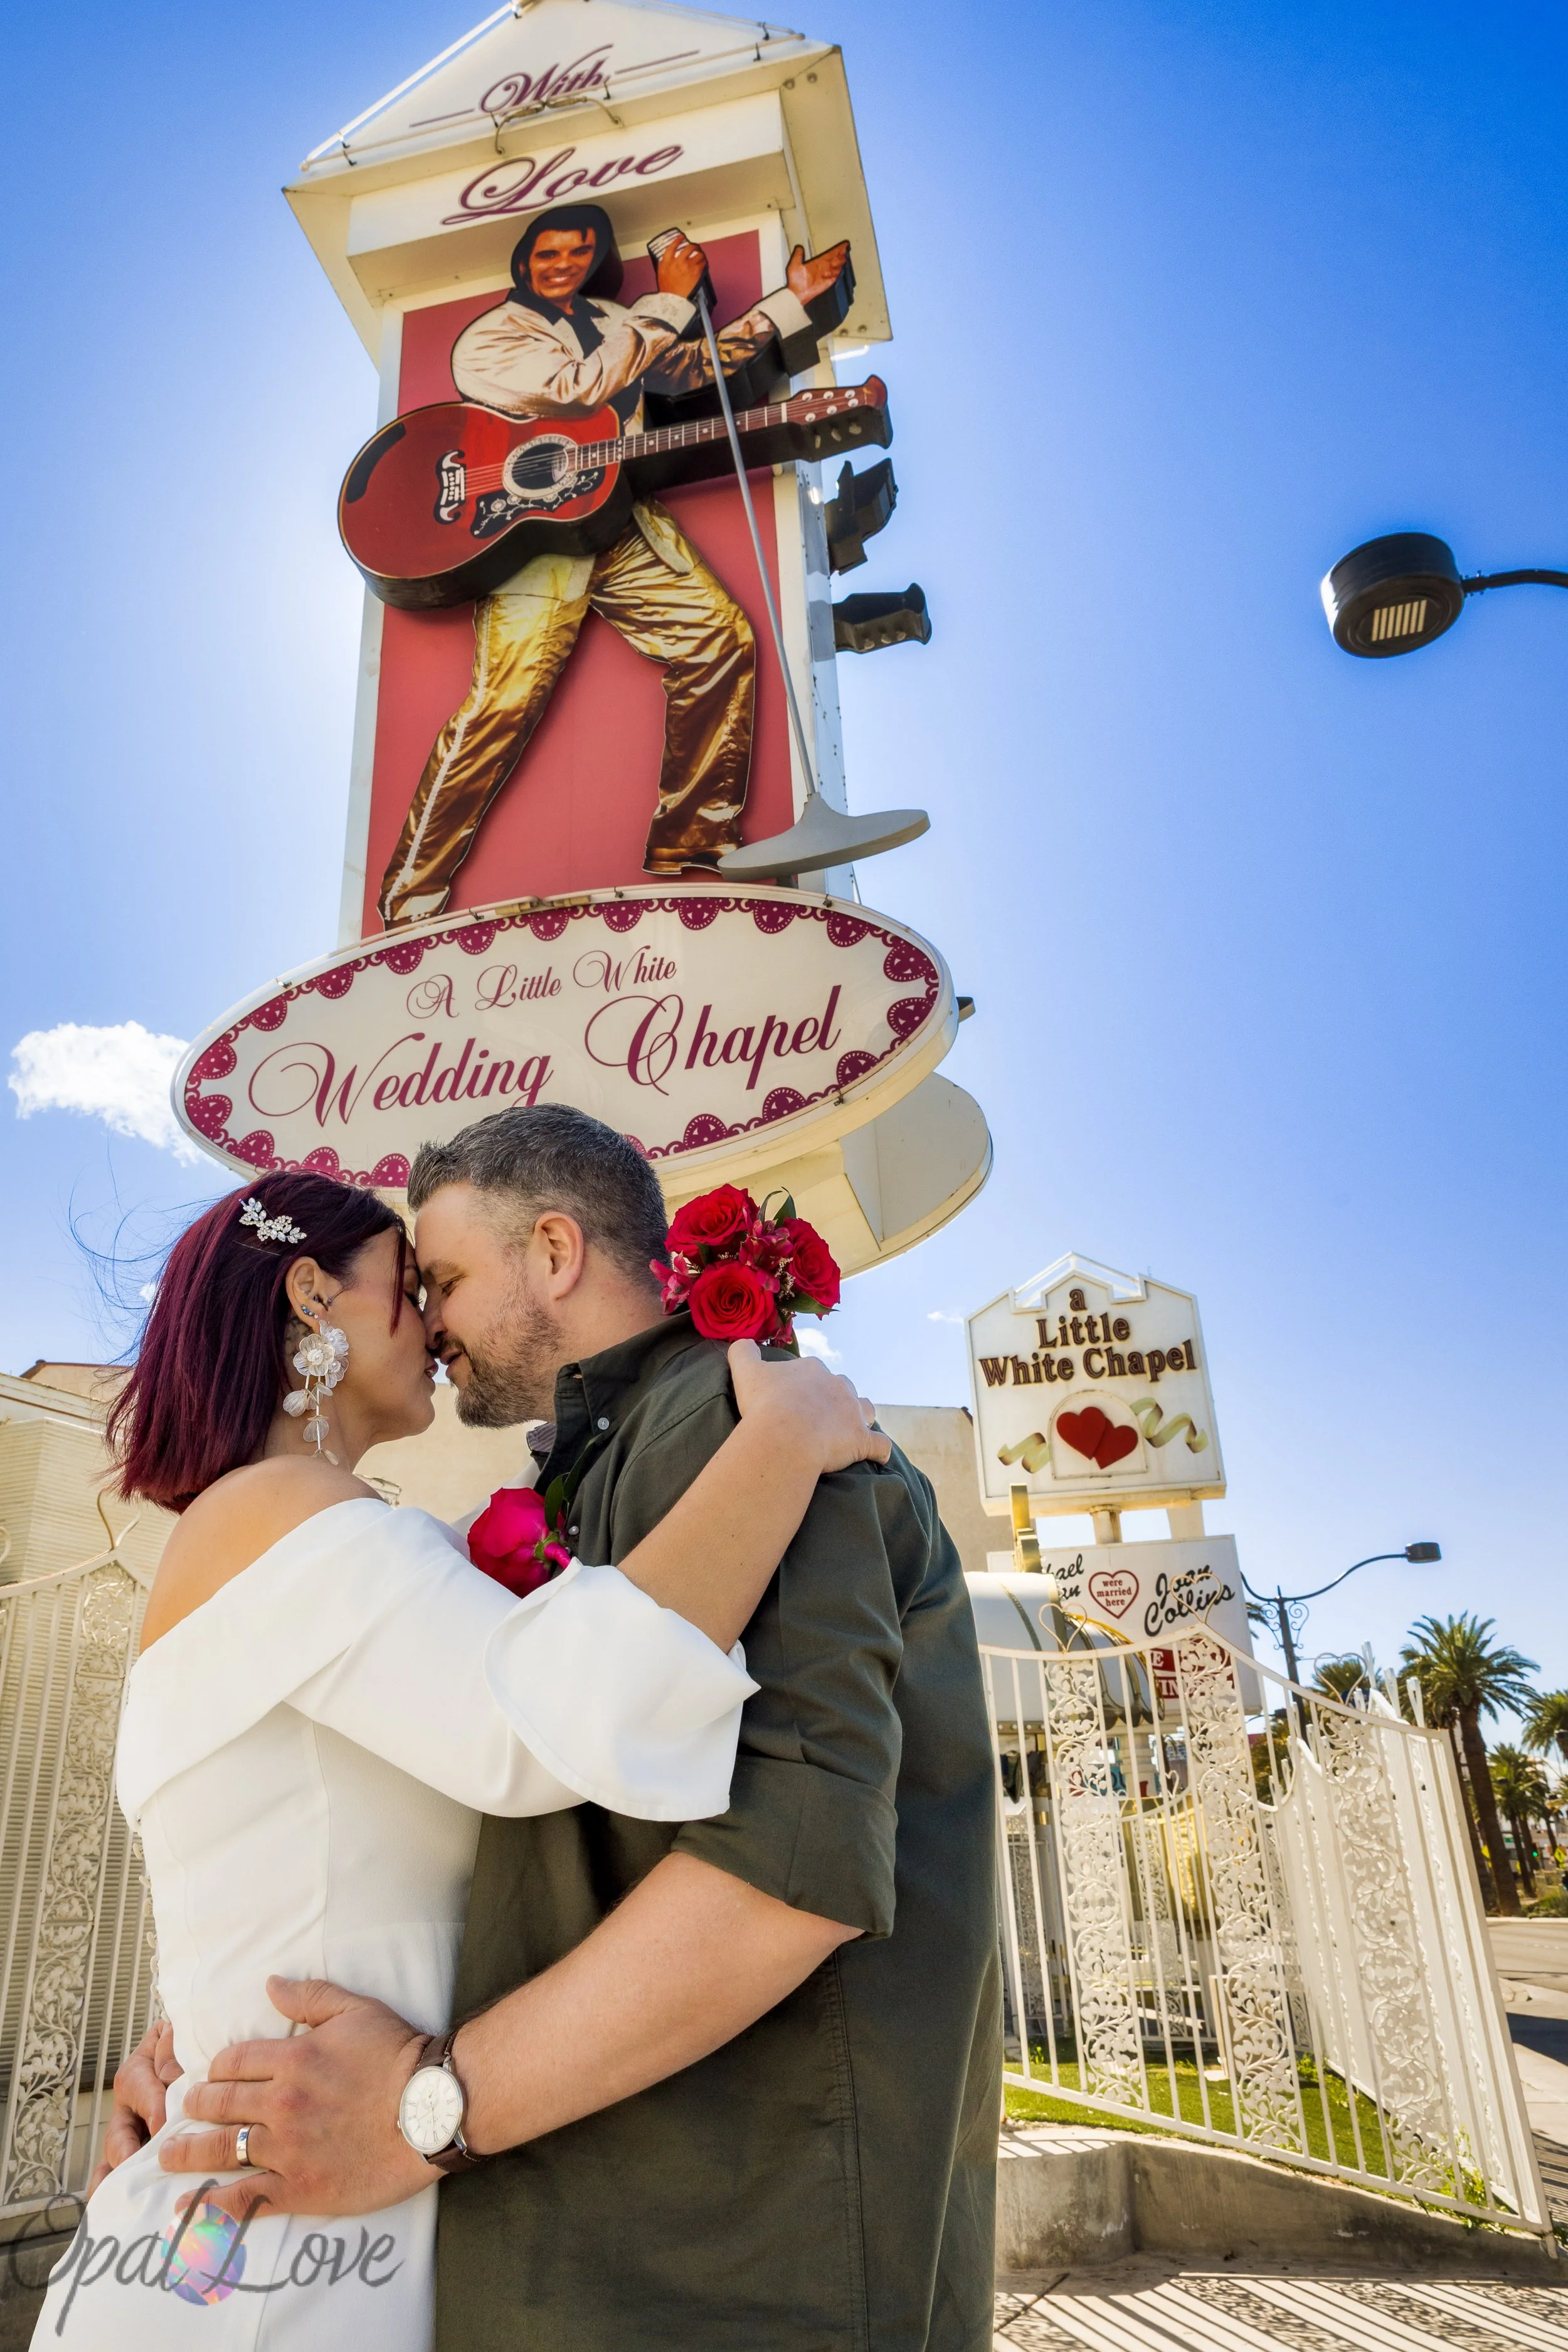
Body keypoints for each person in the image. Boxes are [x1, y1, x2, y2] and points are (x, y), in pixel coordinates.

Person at [127, 1104, 1003, 2352]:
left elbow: (787, 1857)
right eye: (411, 1285)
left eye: (443, 1279)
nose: (430, 1323)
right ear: (314, 1298)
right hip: (341, 2202)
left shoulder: (684, 1430)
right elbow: (544, 1723)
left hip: (662, 2234)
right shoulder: (289, 1512)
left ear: (551, 1253)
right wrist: (781, 1440)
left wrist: (398, 2100)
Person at [378, 203, 852, 923]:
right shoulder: (490, 336)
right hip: (528, 537)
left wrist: (792, 304)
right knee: (502, 709)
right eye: (547, 253)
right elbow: (578, 391)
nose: (562, 263)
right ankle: (411, 895)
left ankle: (695, 838)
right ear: (523, 264)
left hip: (616, 514)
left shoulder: (609, 316)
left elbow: (691, 372)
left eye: (578, 250)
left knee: (721, 641)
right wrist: (662, 299)